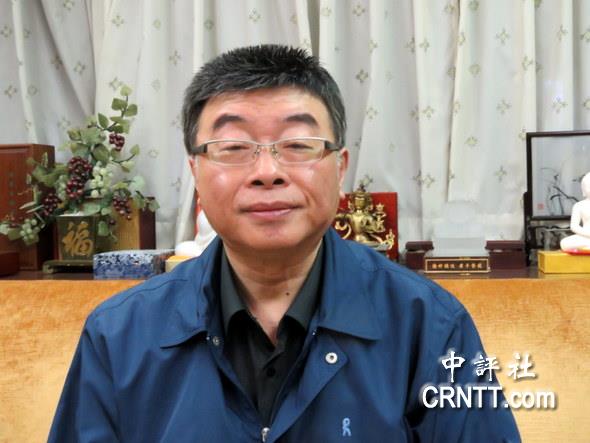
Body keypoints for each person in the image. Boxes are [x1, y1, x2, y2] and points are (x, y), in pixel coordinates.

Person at [48, 44, 520, 442]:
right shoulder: (119, 335)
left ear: (340, 168)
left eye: (297, 144)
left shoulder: (429, 325)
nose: (267, 172)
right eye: (234, 147)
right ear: (195, 172)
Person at [560, 171, 590, 253]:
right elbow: (574, 226)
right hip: (585, 236)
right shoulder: (579, 205)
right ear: (583, 189)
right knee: (564, 243)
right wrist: (588, 234)